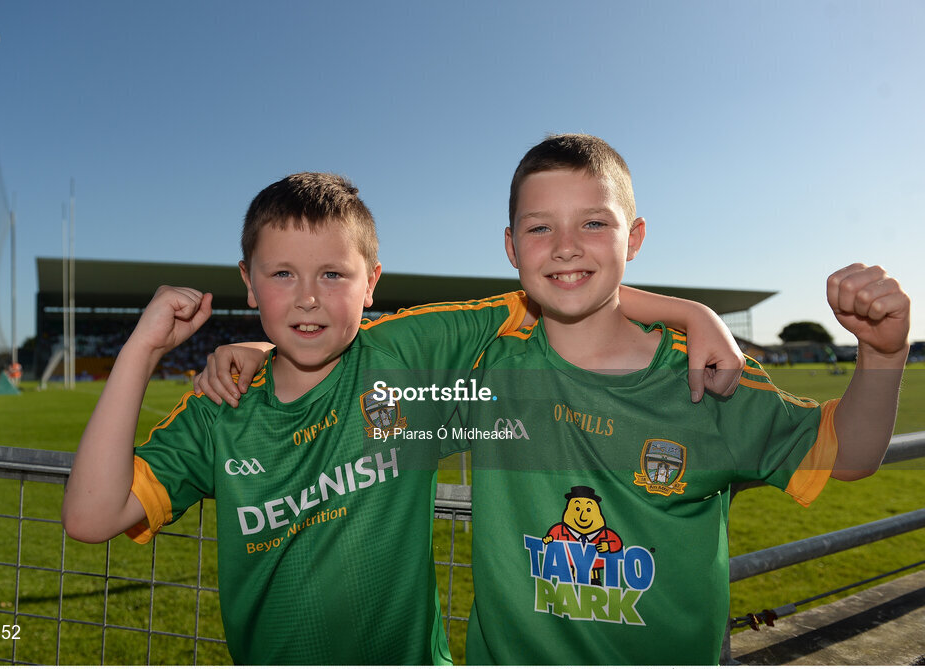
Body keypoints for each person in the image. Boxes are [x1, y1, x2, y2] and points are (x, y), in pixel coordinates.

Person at [198, 136, 910, 665]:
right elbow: (348, 354)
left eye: (593, 223)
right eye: (541, 227)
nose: (566, 246)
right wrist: (268, 349)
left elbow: (848, 453)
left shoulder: (707, 378)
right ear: (512, 245)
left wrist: (881, 354)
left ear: (633, 236)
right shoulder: (489, 372)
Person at [69, 171, 740, 664]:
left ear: (373, 282)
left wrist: (693, 314)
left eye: (334, 274)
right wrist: (141, 349)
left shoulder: (406, 353)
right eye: (283, 275)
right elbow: (91, 517)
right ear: (248, 280)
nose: (308, 297)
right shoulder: (222, 410)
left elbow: (561, 282)